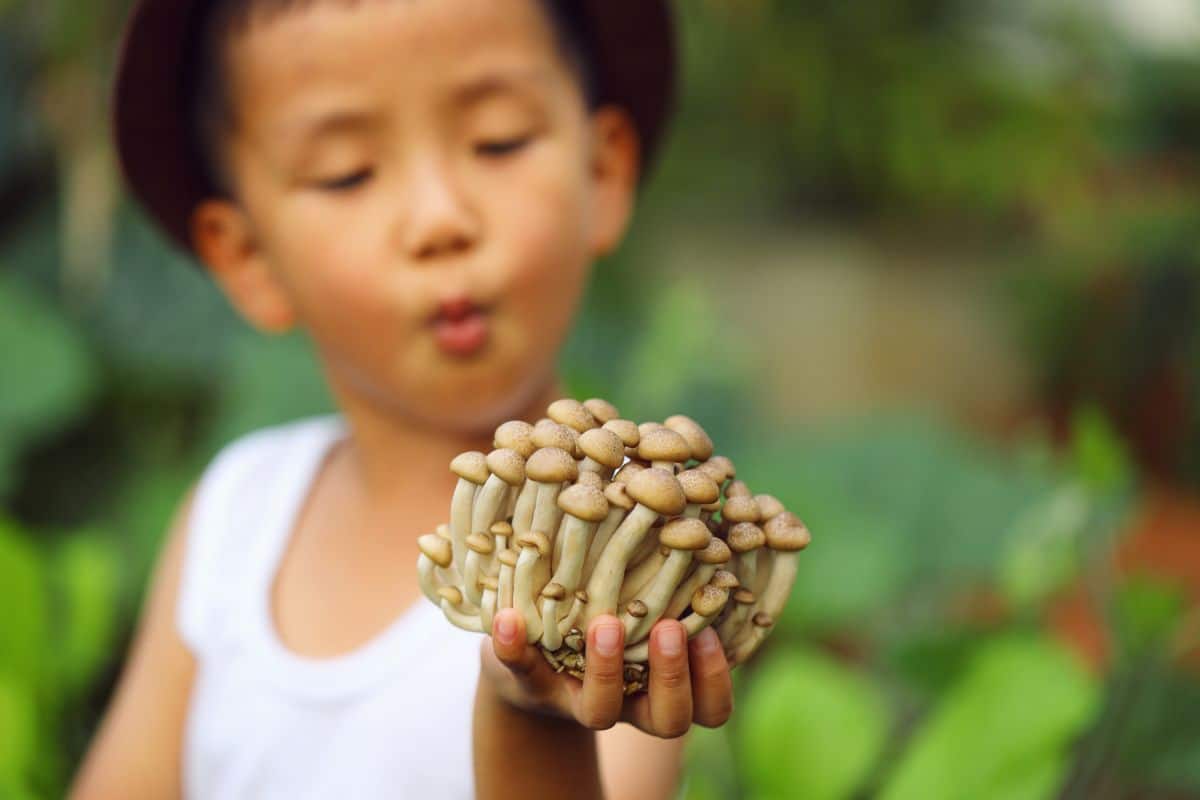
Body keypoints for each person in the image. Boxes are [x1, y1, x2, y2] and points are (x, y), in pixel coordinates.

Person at [71, 1, 735, 798]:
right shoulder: (235, 519)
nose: (440, 218)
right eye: (346, 171)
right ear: (248, 255)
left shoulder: (639, 556)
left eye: (498, 140)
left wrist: (530, 715)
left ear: (601, 173)